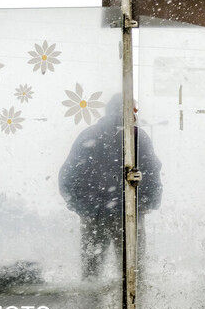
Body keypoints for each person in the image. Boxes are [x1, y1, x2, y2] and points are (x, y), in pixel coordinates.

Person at [59, 93, 162, 279]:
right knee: (134, 275)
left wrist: (87, 208)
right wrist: (146, 203)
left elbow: (67, 178)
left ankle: (92, 307)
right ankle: (131, 307)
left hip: (99, 217)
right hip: (126, 216)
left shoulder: (90, 136)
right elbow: (152, 174)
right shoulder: (137, 138)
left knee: (92, 274)